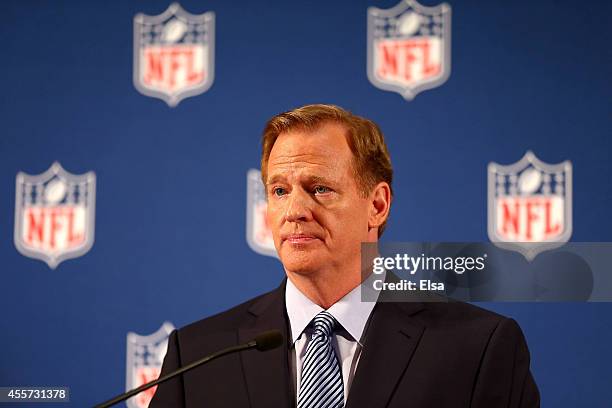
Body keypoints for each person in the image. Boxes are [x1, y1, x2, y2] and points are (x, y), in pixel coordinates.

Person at [150, 104, 540, 407]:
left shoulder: (477, 348)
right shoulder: (199, 354)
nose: (295, 211)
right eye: (279, 191)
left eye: (319, 188)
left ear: (378, 205)